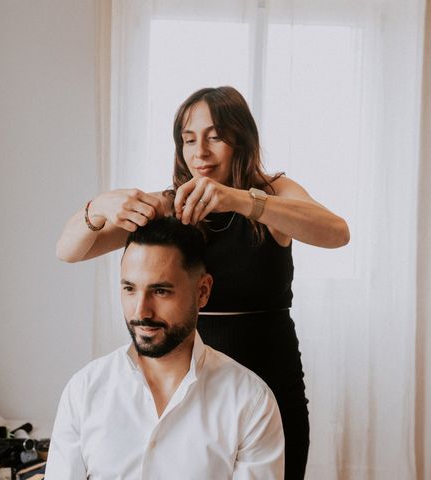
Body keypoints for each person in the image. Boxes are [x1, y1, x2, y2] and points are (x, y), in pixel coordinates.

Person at [55, 86, 350, 479]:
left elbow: (336, 232)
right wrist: (97, 207)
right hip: (194, 381)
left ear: (241, 139)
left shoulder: (274, 193)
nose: (200, 152)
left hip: (270, 371)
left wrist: (242, 200)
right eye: (189, 139)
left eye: (215, 136)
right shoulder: (172, 203)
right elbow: (69, 250)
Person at [46, 217, 285, 479]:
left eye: (160, 291)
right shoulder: (84, 390)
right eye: (129, 288)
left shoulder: (251, 402)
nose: (141, 311)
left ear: (203, 292)